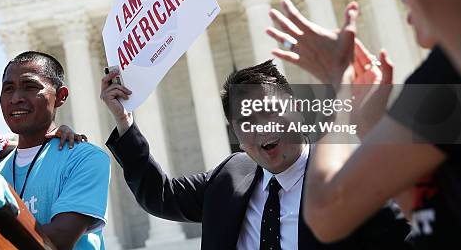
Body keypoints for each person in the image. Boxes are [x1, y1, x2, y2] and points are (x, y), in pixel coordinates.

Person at [100, 60, 408, 250]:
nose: (263, 128)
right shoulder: (231, 176)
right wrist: (123, 120)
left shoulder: (348, 177)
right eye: (247, 121)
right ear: (234, 132)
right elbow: (160, 195)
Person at [267, 0, 461, 248]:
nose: (406, 7)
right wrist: (369, 123)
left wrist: (337, 89)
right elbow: (430, 212)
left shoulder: (451, 72)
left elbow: (327, 211)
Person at [0, 51, 110, 250]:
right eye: (8, 88)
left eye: (30, 87)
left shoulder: (85, 158)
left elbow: (59, 238)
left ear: (60, 96)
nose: (16, 98)